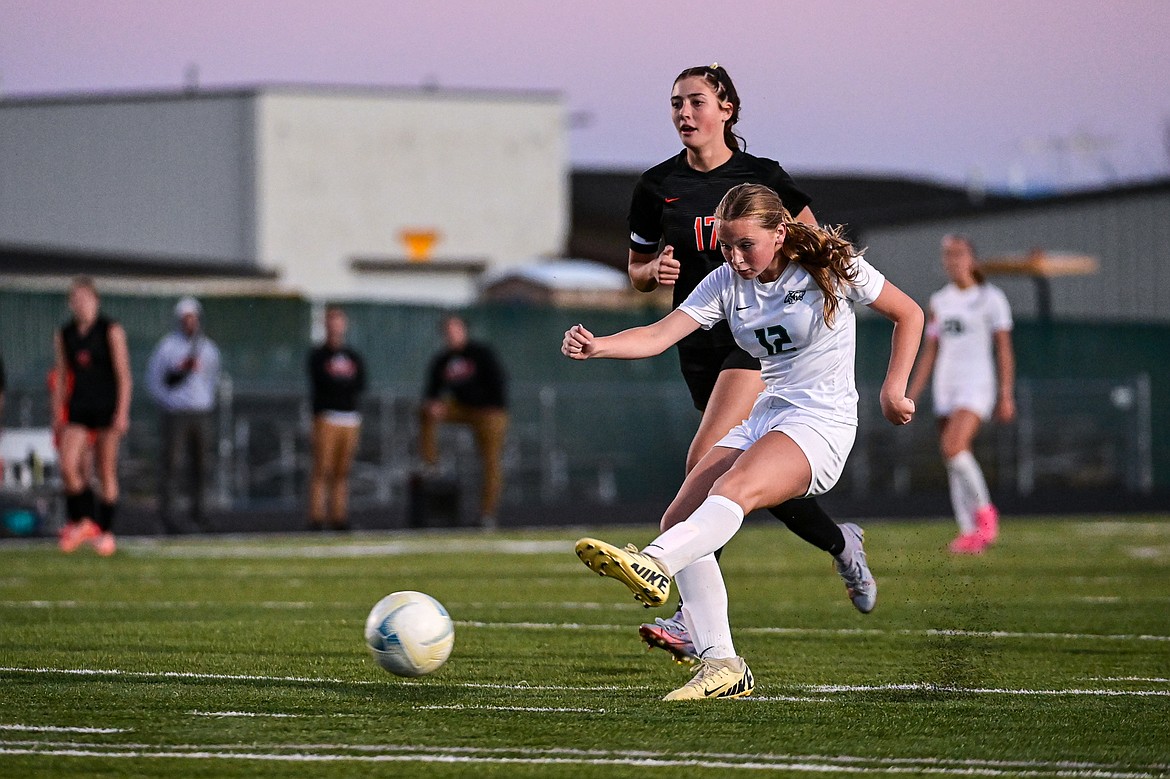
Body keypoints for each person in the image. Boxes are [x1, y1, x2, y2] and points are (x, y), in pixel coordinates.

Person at [565, 183, 923, 700]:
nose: (734, 257)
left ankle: (656, 563)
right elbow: (660, 334)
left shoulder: (829, 266)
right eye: (726, 246)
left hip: (822, 423)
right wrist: (598, 345)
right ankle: (723, 666)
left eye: (744, 245)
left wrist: (894, 390)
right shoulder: (724, 281)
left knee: (732, 490)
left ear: (780, 233)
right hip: (768, 414)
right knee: (678, 518)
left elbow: (909, 313)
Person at [626, 63, 862, 663]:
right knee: (754, 482)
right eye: (675, 103)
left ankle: (690, 617)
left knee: (703, 469)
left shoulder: (763, 180)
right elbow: (636, 272)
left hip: (756, 344)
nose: (684, 113)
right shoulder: (656, 185)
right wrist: (656, 275)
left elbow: (820, 252)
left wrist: (838, 307)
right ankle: (841, 542)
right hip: (696, 341)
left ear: (727, 108)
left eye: (696, 101)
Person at [907, 234, 1015, 555]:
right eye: (947, 255)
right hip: (947, 385)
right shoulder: (940, 301)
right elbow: (930, 351)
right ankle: (968, 532)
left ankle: (985, 513)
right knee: (952, 457)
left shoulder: (991, 298)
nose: (952, 260)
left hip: (977, 384)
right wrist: (911, 394)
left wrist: (1006, 394)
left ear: (972, 258)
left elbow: (1004, 349)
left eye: (958, 254)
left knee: (954, 447)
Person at [53, 277, 132, 556]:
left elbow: (124, 374)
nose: (81, 305)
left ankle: (106, 532)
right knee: (68, 465)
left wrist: (122, 412)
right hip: (78, 408)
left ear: (95, 301)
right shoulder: (65, 334)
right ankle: (85, 522)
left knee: (104, 470)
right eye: (76, 299)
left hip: (106, 408)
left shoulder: (110, 330)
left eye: (86, 299)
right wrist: (57, 413)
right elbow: (62, 376)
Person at [419, 314, 508, 529]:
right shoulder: (442, 360)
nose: (452, 335)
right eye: (448, 331)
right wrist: (435, 404)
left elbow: (498, 383)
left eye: (455, 329)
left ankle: (487, 514)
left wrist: (489, 405)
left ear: (464, 331)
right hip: (463, 409)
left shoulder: (481, 353)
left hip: (488, 411)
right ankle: (431, 463)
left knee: (491, 463)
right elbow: (431, 392)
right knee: (426, 412)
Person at [146, 296, 221, 534]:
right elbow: (154, 380)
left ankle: (199, 514)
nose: (190, 323)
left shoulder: (207, 348)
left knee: (201, 466)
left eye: (193, 318)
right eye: (186, 318)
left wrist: (206, 402)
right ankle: (168, 516)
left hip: (201, 413)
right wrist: (168, 402)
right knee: (172, 466)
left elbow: (213, 379)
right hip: (176, 413)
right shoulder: (167, 347)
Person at [307, 305, 367, 531]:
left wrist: (341, 386)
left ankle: (339, 517)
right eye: (331, 321)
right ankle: (316, 517)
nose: (335, 326)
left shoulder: (353, 356)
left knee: (342, 472)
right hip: (327, 417)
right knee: (323, 469)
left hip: (349, 418)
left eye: (339, 321)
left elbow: (360, 384)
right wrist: (341, 386)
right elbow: (322, 383)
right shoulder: (318, 356)